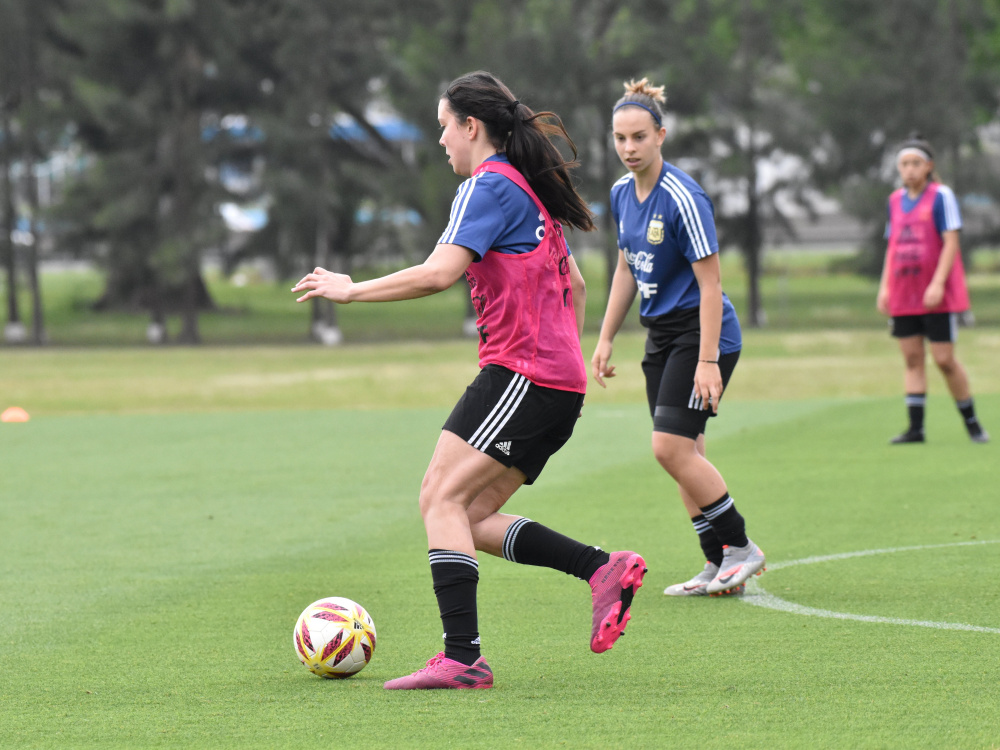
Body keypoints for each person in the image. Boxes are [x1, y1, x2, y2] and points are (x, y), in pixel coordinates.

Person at [292, 71, 647, 691]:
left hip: (524, 375)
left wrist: (350, 290)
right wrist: (567, 363)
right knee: (458, 509)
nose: (441, 142)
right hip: (541, 378)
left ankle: (463, 658)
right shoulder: (526, 188)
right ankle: (601, 569)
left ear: (471, 126)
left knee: (445, 503)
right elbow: (580, 287)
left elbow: (437, 274)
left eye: (443, 129)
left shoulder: (489, 186)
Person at [591, 78, 764, 598]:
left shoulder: (684, 198)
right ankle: (717, 566)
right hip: (662, 336)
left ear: (660, 135)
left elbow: (712, 284)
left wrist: (708, 361)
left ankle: (741, 549)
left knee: (669, 448)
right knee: (686, 449)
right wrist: (603, 339)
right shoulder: (622, 194)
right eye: (620, 138)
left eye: (638, 137)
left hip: (702, 332)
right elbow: (626, 268)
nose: (628, 148)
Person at [877, 133, 989, 444]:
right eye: (904, 164)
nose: (909, 169)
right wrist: (884, 287)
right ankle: (916, 429)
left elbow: (951, 241)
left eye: (915, 163)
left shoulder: (941, 196)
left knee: (943, 359)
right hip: (903, 292)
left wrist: (938, 283)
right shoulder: (894, 201)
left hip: (936, 294)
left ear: (928, 166)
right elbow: (892, 247)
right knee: (912, 358)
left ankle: (972, 423)